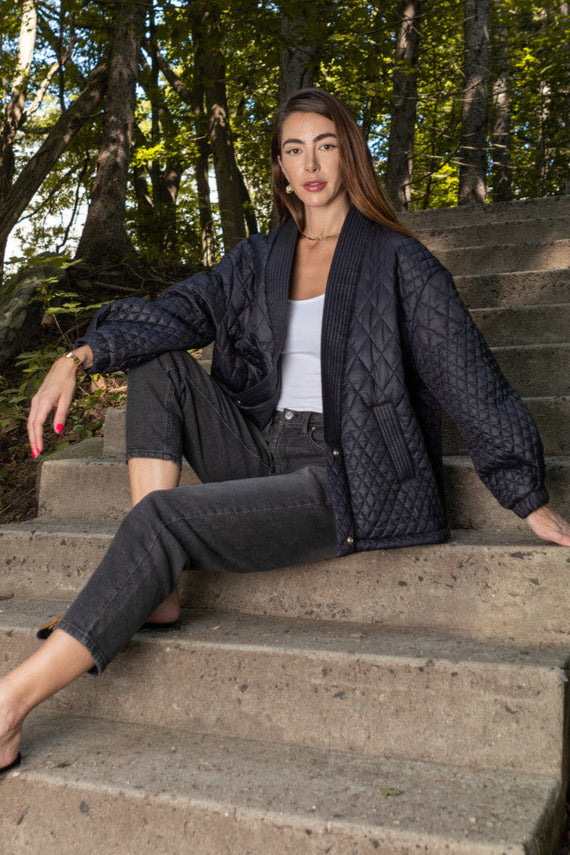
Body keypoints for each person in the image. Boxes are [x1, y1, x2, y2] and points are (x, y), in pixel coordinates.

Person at [1, 88, 569, 776]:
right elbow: (172, 314)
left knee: (160, 518)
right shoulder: (257, 259)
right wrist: (77, 357)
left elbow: (467, 374)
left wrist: (525, 494)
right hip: (261, 443)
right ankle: (161, 586)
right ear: (279, 166)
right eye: (295, 150)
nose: (312, 164)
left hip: (342, 472)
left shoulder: (398, 260)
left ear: (349, 154)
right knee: (156, 359)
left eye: (326, 146)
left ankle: (9, 705)